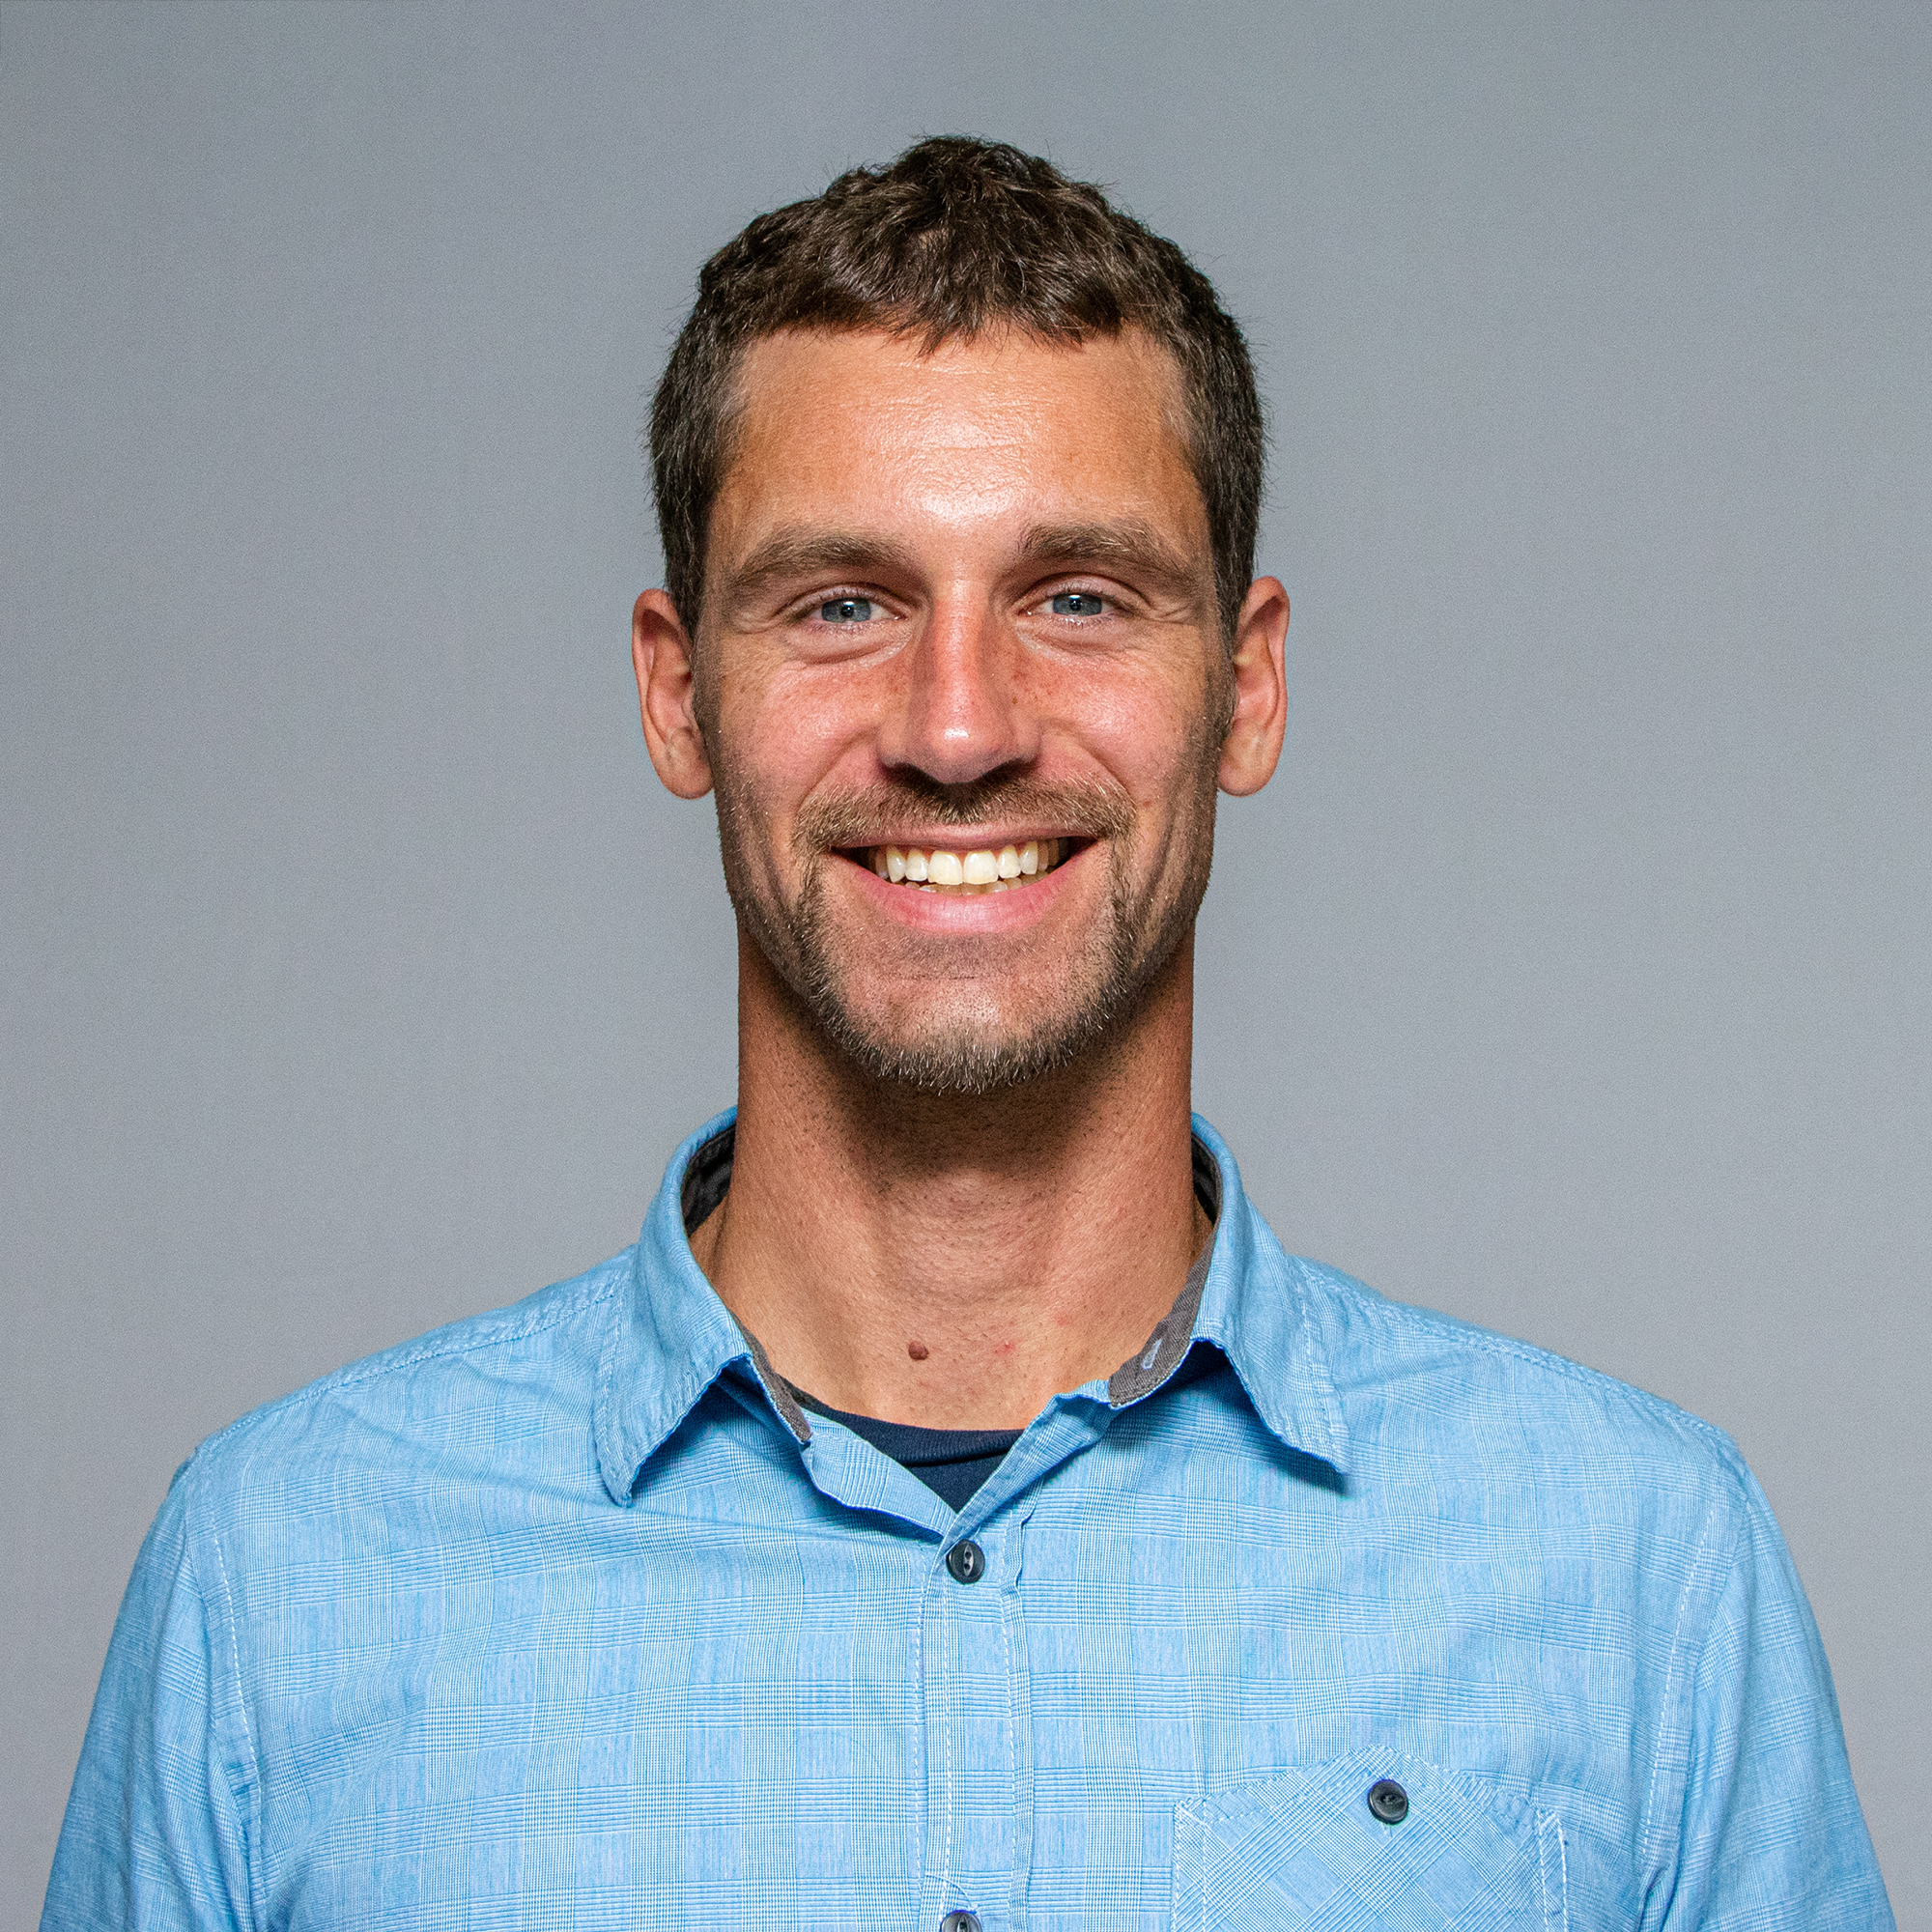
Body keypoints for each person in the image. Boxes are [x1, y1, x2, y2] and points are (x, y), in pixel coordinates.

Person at [43, 136, 1890, 1932]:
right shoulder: (281, 1584)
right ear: (678, 695)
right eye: (843, 604)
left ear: (1245, 685)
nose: (956, 728)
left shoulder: (1633, 1573)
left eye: (1077, 598)